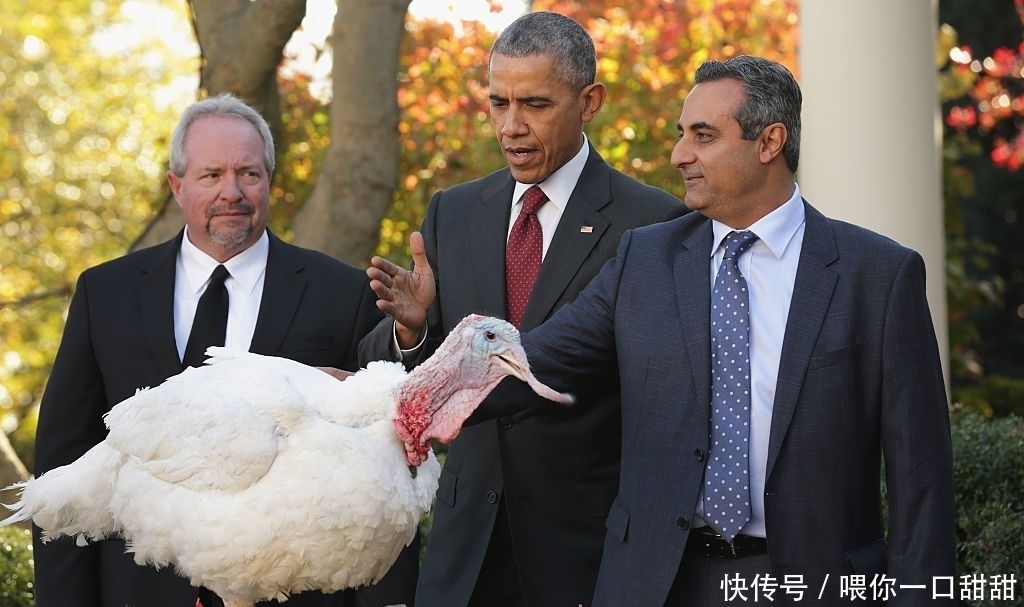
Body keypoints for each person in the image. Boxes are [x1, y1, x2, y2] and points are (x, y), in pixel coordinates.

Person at [511, 55, 954, 606]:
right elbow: (528, 365)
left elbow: (922, 479)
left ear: (769, 142)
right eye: (682, 135)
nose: (679, 156)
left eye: (703, 136)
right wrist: (410, 364)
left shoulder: (878, 275)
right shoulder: (644, 259)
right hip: (656, 583)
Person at [32, 93, 418, 607]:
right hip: (136, 590)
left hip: (293, 591)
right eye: (211, 175)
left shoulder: (342, 294)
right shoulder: (106, 294)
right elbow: (64, 459)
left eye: (248, 174)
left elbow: (388, 458)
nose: (231, 192)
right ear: (177, 185)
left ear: (269, 181)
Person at [359, 11, 685, 607]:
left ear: (590, 101)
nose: (511, 126)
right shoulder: (452, 214)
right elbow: (409, 373)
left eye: (535, 104)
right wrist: (411, 330)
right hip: (465, 552)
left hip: (583, 550)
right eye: (498, 103)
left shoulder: (652, 224)